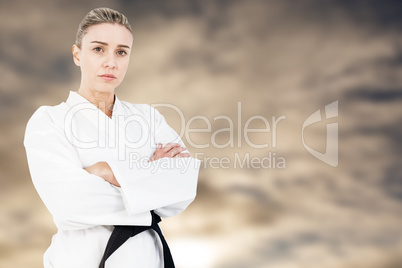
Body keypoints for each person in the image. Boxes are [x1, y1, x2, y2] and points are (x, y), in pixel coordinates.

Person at [23, 7, 200, 268]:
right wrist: (149, 183)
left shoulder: (148, 118)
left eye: (121, 51)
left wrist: (105, 171)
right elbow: (70, 203)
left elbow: (184, 182)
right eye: (98, 49)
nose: (111, 62)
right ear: (77, 54)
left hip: (150, 260)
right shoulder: (49, 121)